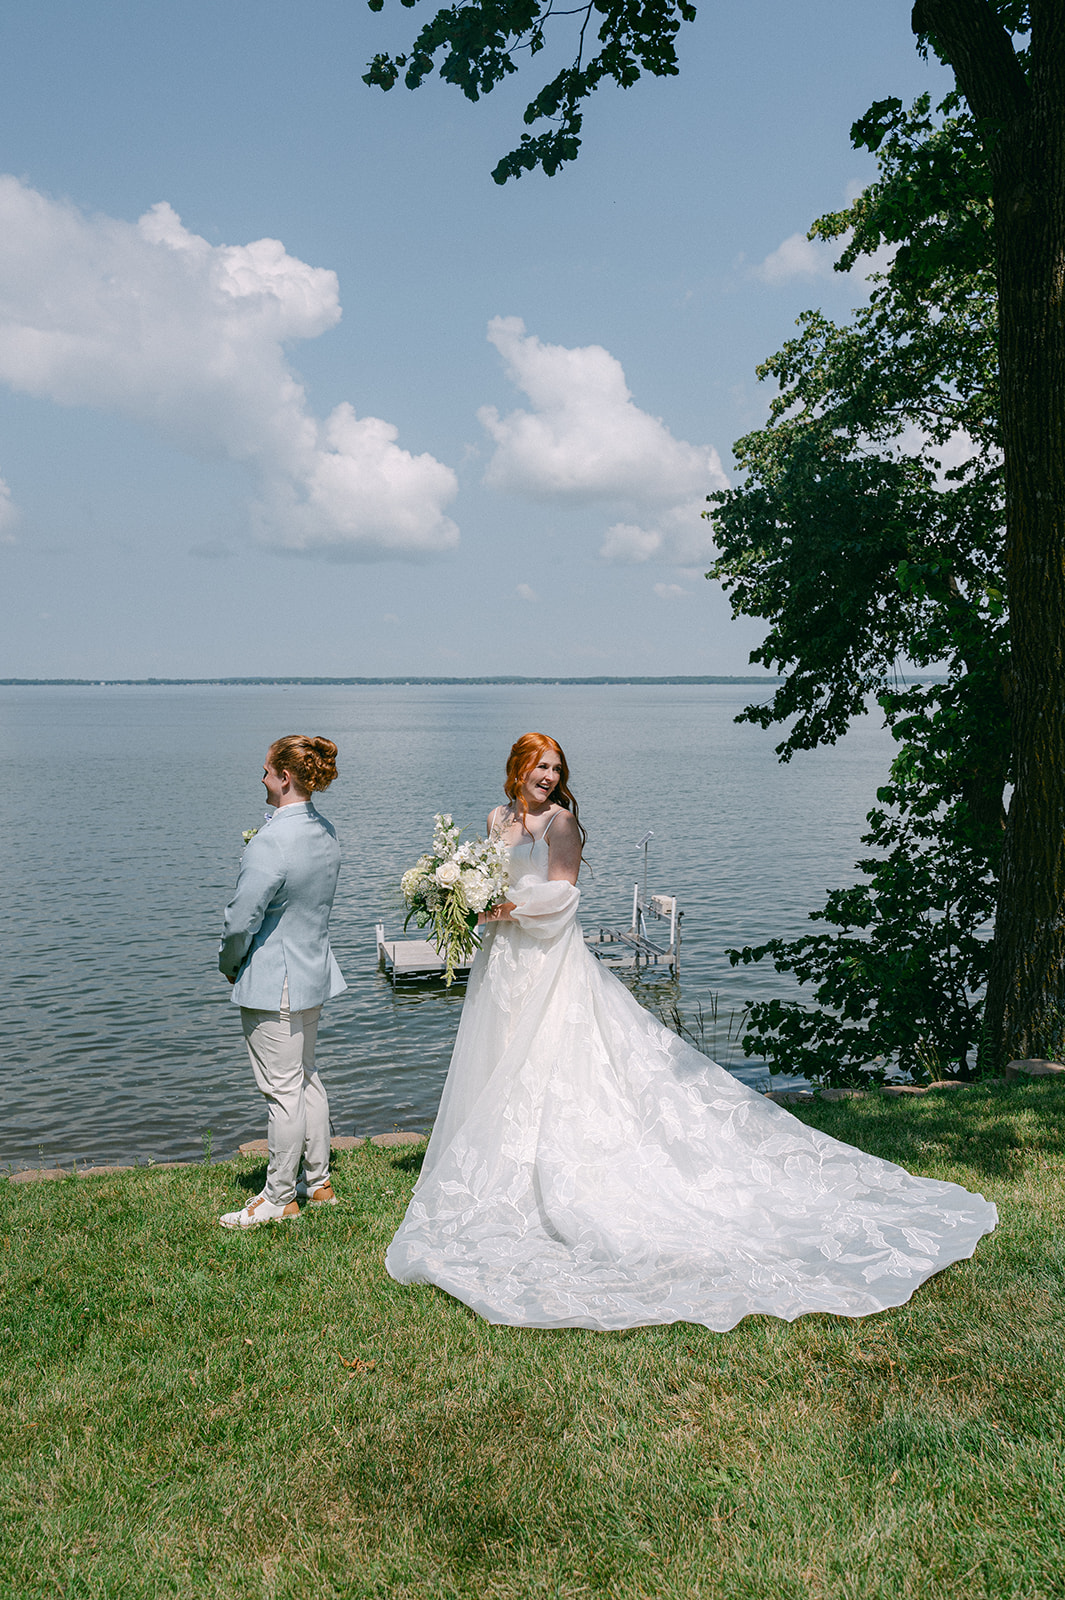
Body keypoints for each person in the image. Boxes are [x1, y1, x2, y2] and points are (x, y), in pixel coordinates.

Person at [386, 732, 997, 1330]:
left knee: (553, 1061)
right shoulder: (498, 818)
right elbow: (487, 873)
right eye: (540, 767)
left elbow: (565, 898)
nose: (548, 777)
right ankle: (502, 1167)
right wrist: (465, 898)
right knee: (499, 1059)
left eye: (556, 769)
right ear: (518, 767)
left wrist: (508, 908)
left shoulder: (560, 825)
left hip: (545, 958)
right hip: (503, 960)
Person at [218, 735, 347, 1229]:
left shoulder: (271, 841)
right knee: (307, 1078)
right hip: (312, 973)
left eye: (267, 770)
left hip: (275, 980)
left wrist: (231, 964)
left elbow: (239, 921)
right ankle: (319, 1183)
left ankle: (277, 1197)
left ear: (285, 777)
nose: (262, 777)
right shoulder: (325, 832)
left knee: (282, 1091)